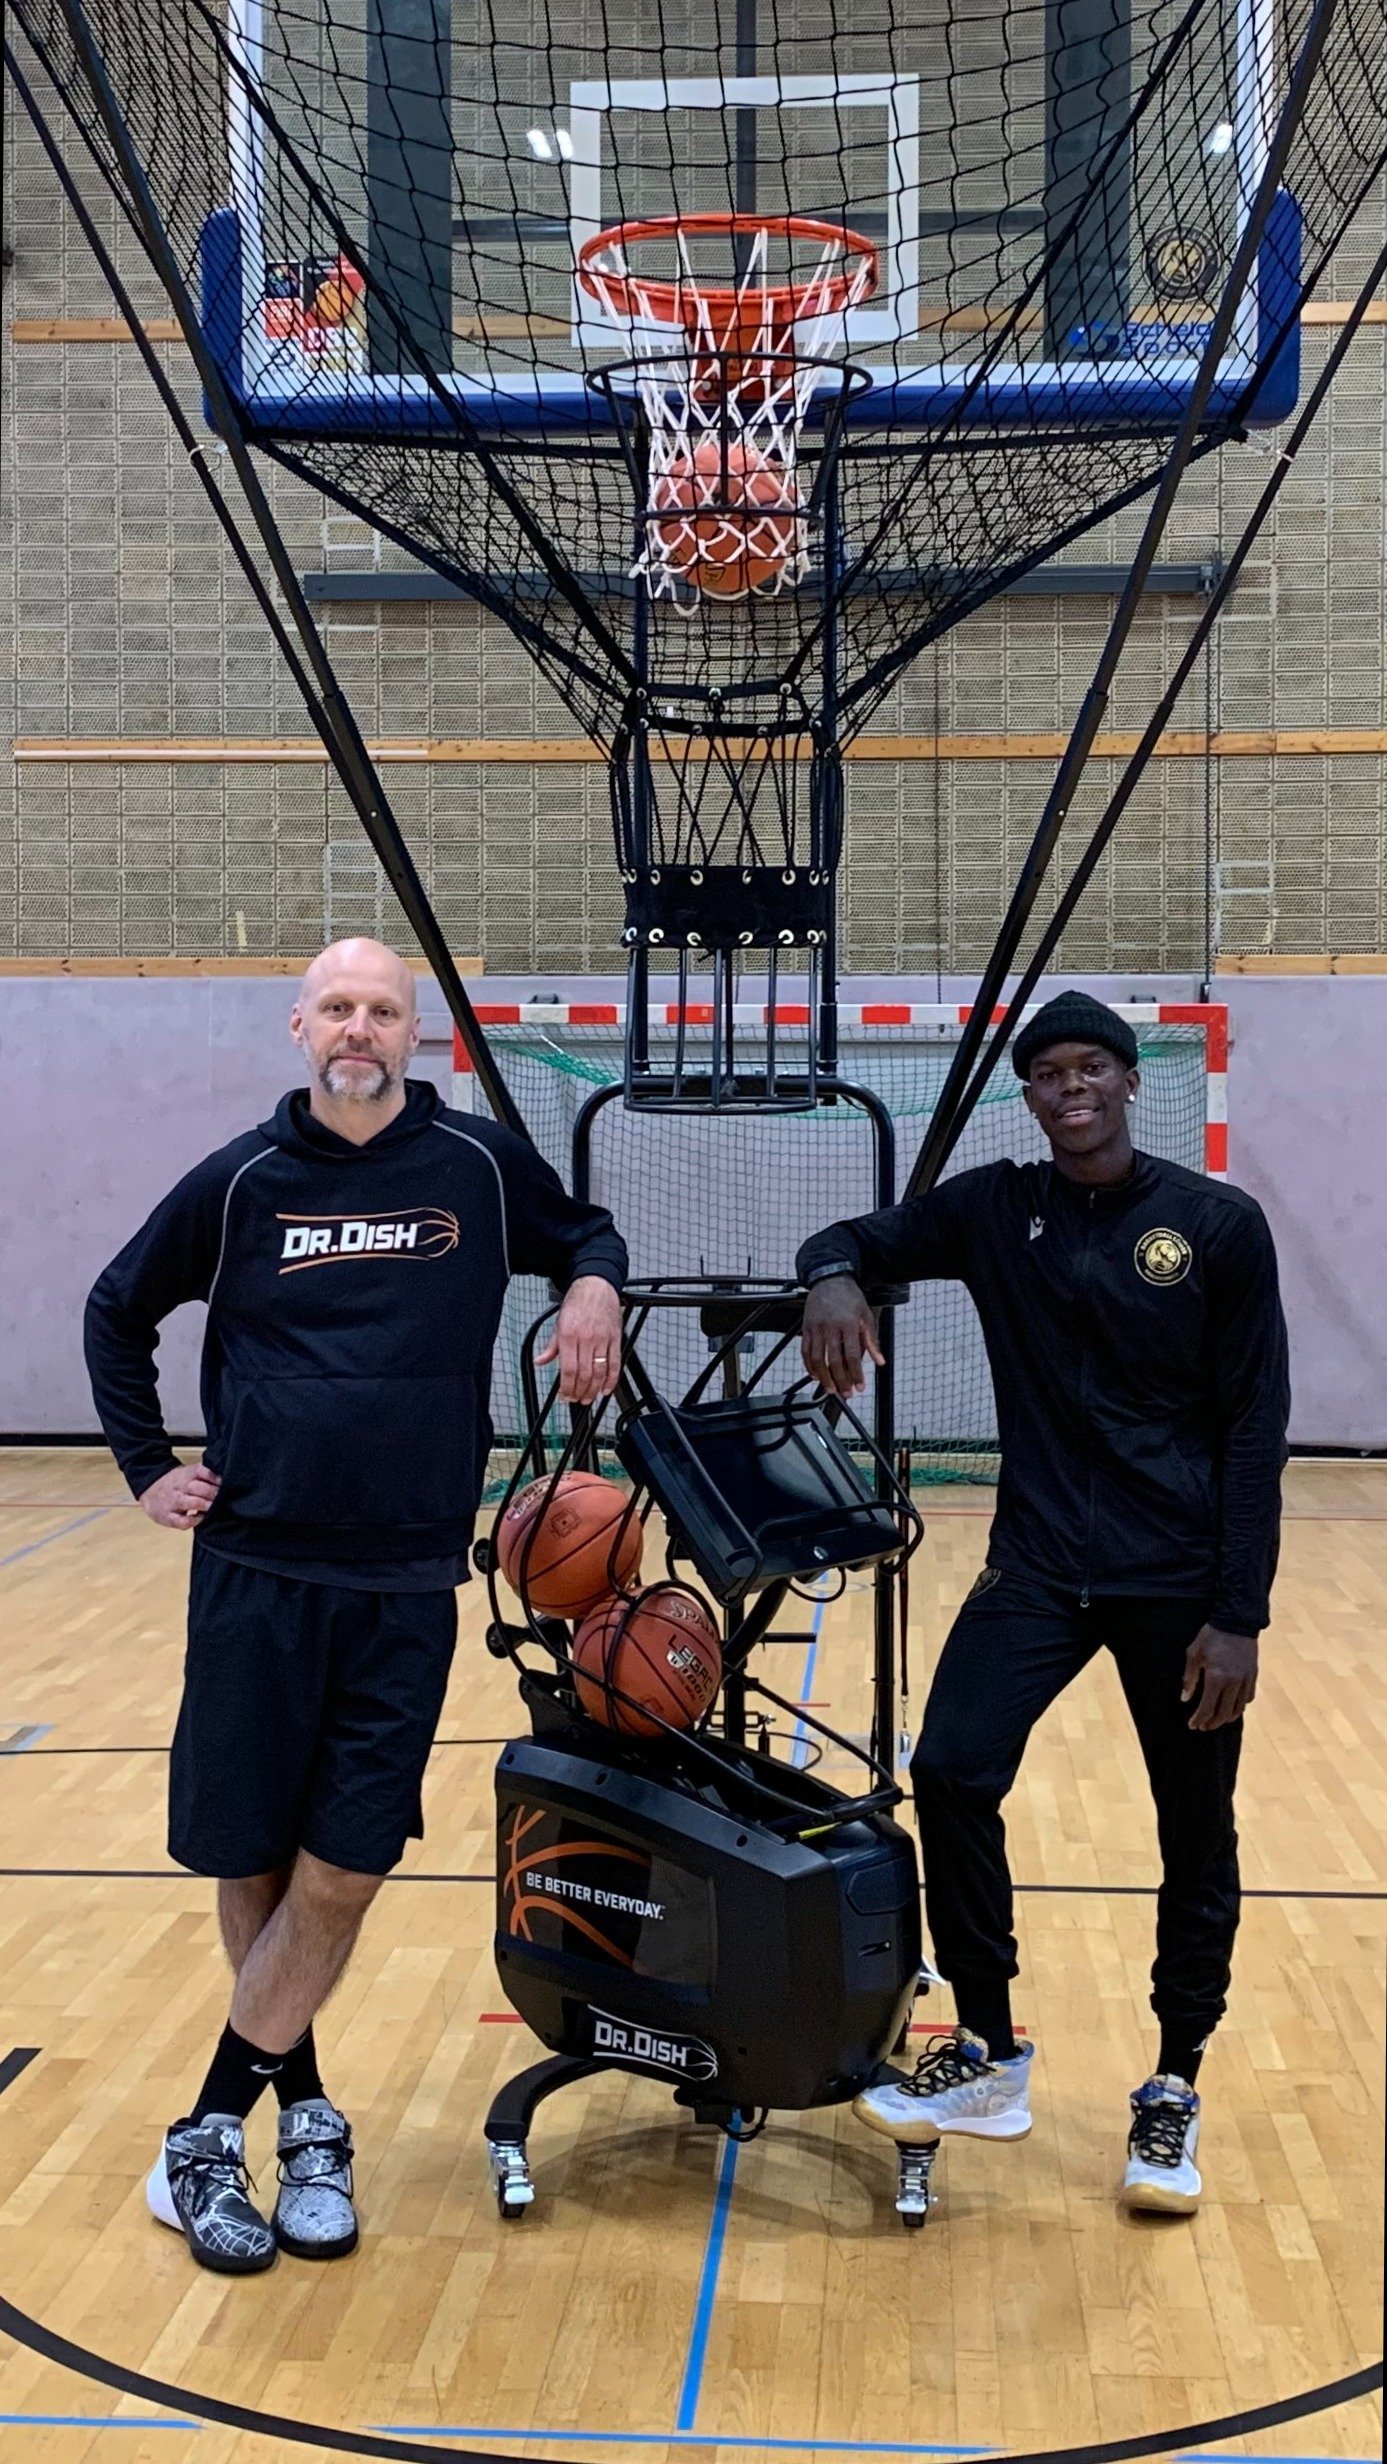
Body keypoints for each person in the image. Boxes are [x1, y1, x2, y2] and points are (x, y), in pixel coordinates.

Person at [85, 938, 627, 2275]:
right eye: (337, 1006)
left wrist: (594, 1286)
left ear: (412, 1035)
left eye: (382, 1010)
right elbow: (116, 1307)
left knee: (346, 1864)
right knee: (255, 1856)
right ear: (299, 1027)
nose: (358, 1029)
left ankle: (205, 2129)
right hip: (257, 1569)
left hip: (403, 1577)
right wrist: (151, 1467)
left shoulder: (479, 1168)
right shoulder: (242, 1183)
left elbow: (583, 1232)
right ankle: (305, 2110)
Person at [797, 990, 1289, 2214]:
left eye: (1093, 1068)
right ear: (1030, 1095)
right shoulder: (996, 1206)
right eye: (1049, 1074)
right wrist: (832, 1283)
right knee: (955, 1769)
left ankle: (1172, 2083)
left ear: (1131, 1082)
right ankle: (988, 2049)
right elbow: (851, 1235)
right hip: (1036, 1569)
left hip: (1177, 1585)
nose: (1072, 1089)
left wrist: (1240, 1615)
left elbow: (1254, 1430)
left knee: (1194, 1827)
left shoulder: (1213, 1225)